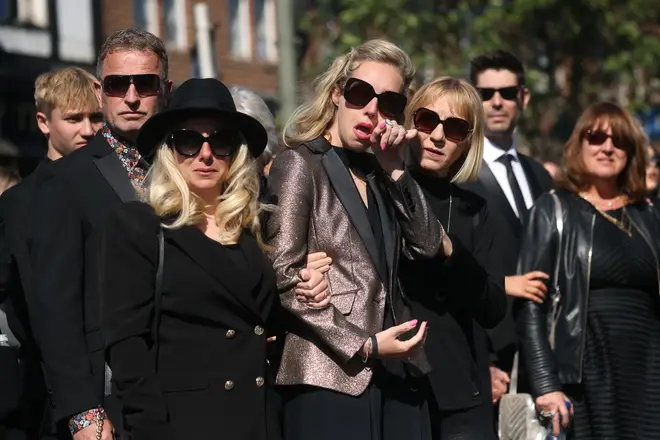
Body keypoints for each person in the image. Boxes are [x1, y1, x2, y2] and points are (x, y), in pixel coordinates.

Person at [99, 78, 325, 439]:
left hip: (260, 421)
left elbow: (266, 319)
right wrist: (150, 429)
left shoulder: (254, 226)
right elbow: (127, 348)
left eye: (220, 141)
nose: (205, 154)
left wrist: (304, 285)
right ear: (170, 150)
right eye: (189, 140)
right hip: (183, 424)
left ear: (235, 152)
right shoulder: (138, 226)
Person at [266, 39, 445, 440]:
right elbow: (284, 276)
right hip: (328, 375)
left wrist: (396, 168)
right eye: (360, 93)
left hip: (399, 375)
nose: (371, 109)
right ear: (336, 93)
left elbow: (429, 245)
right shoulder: (300, 164)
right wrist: (364, 345)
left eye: (389, 103)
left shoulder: (384, 174)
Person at [27, 29, 171, 439]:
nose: (130, 97)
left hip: (186, 384)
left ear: (166, 88)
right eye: (116, 84)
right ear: (98, 89)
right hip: (108, 394)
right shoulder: (67, 180)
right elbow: (55, 307)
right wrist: (82, 410)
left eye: (144, 84)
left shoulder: (192, 164)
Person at [518, 101, 660, 438]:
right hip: (584, 376)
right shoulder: (553, 209)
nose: (607, 147)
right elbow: (530, 305)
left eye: (619, 140)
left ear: (631, 151)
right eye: (596, 137)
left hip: (648, 372)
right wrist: (545, 383)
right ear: (579, 144)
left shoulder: (649, 215)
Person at [398, 76, 506, 438]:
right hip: (396, 387)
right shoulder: (381, 190)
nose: (438, 136)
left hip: (461, 395)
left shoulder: (473, 209)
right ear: (411, 121)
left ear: (468, 142)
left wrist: (450, 251)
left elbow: (493, 307)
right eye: (427, 120)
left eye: (455, 128)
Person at [0, 66, 102, 439]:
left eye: (96, 117)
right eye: (73, 118)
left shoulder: (118, 188)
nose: (88, 130)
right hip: (44, 396)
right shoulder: (17, 204)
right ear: (43, 122)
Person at [461, 50, 555, 401]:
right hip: (488, 355)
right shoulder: (458, 175)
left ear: (523, 98)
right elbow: (450, 273)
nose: (497, 103)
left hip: (543, 349)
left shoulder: (541, 175)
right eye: (486, 94)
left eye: (507, 93)